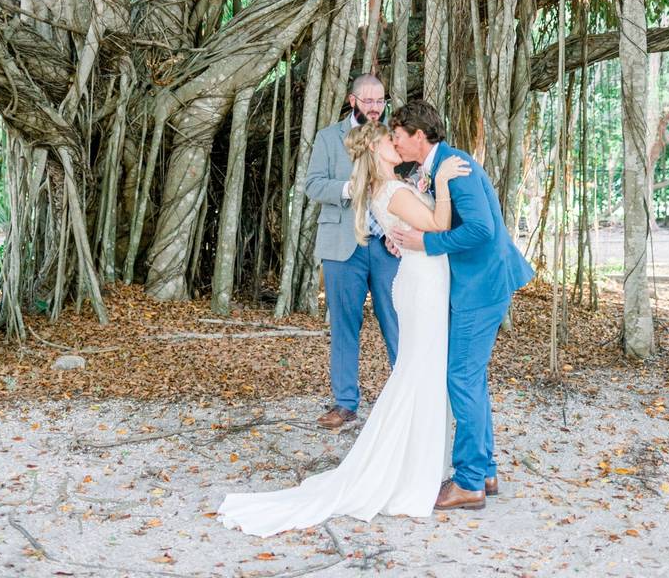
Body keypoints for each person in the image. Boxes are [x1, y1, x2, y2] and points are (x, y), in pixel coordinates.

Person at [218, 122, 471, 536]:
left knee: (420, 372)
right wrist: (441, 182)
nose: (397, 142)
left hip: (420, 279)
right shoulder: (392, 191)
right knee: (421, 374)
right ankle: (413, 469)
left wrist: (426, 184)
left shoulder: (387, 188)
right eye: (390, 140)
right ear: (374, 150)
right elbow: (440, 226)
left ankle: (422, 462)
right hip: (423, 284)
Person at [389, 100, 534, 510]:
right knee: (472, 378)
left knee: (461, 379)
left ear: (419, 135)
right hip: (472, 284)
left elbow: (482, 230)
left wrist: (428, 243)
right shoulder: (437, 168)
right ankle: (484, 470)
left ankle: (468, 481)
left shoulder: (457, 166)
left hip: (481, 285)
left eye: (398, 134)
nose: (395, 141)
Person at [304, 74, 399, 429]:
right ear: (352, 100)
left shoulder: (394, 138)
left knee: (396, 321)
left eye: (380, 101)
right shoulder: (329, 138)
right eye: (368, 101)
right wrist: (350, 187)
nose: (375, 108)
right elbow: (313, 184)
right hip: (344, 244)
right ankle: (345, 403)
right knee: (345, 325)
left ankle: (405, 398)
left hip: (389, 246)